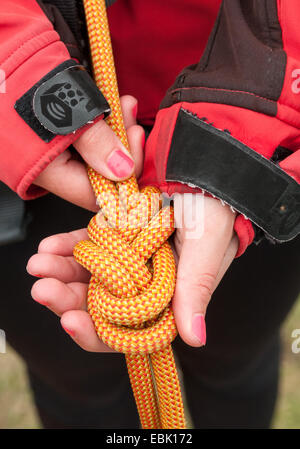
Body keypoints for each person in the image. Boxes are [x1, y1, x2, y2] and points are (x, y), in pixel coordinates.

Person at [0, 0, 299, 428]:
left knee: (235, 364)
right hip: (27, 152)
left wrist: (248, 127)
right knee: (77, 386)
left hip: (254, 140)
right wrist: (19, 75)